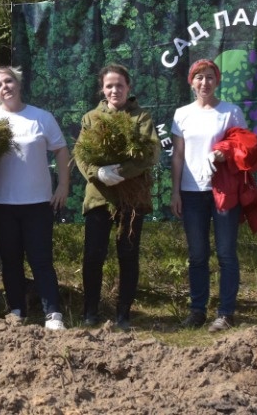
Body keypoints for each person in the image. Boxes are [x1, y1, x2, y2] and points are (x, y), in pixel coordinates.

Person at [0, 66, 69, 330]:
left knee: (41, 260)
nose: (5, 87)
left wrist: (62, 185)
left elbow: (62, 151)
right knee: (10, 261)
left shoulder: (41, 117)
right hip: (2, 204)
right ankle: (17, 310)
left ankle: (52, 312)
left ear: (18, 84)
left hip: (38, 204)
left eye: (9, 81)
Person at [73, 64, 159, 330]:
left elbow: (149, 154)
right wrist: (97, 172)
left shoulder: (141, 117)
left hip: (132, 197)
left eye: (119, 85)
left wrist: (121, 172)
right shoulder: (90, 118)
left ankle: (123, 314)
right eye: (109, 85)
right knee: (93, 255)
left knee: (128, 254)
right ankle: (90, 311)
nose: (114, 90)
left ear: (128, 87)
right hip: (99, 196)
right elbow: (81, 153)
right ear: (103, 88)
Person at [171, 58, 246, 332]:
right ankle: (197, 310)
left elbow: (244, 147)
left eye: (210, 77)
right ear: (191, 82)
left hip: (223, 191)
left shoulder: (230, 112)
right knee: (198, 254)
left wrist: (222, 154)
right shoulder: (182, 114)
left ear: (217, 81)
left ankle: (225, 313)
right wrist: (175, 191)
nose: (205, 82)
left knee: (226, 253)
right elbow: (178, 155)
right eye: (199, 77)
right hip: (191, 194)